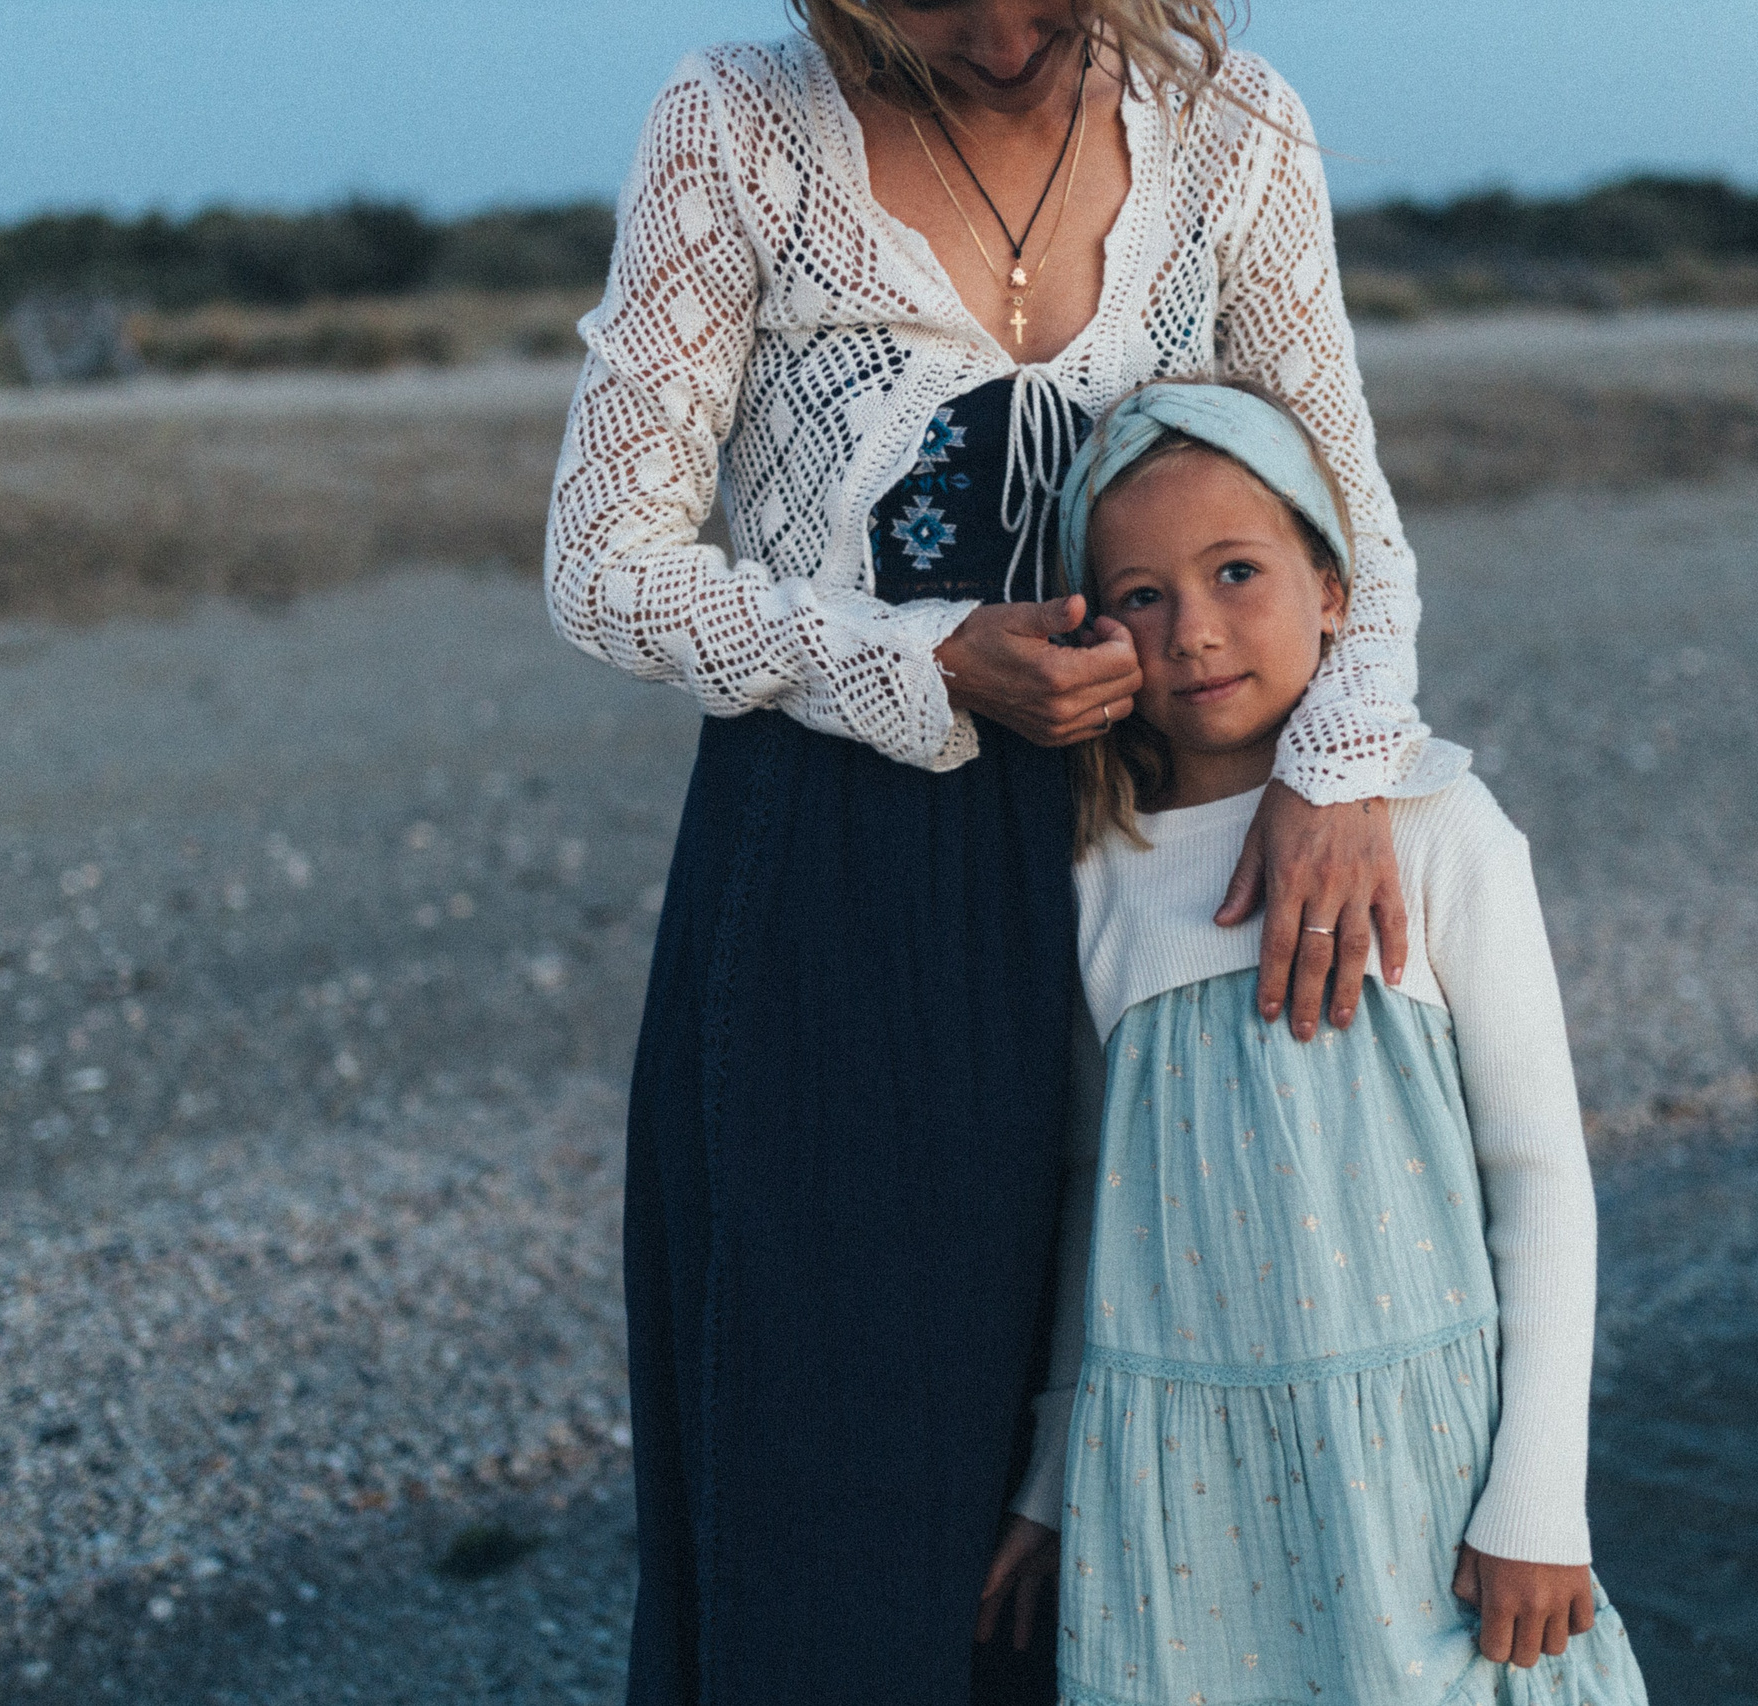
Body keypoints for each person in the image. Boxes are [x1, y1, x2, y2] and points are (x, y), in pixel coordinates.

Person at [543, 5, 1458, 1699]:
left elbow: (1357, 515)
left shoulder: (1239, 129)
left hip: (1159, 866)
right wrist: (929, 656)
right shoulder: (735, 124)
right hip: (833, 897)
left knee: (1146, 1495)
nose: (998, 35)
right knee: (843, 1507)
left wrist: (1338, 768)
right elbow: (602, 563)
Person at [975, 381, 1648, 1704]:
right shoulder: (1098, 871)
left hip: (1418, 1471)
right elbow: (1088, 1198)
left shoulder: (1439, 827)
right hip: (1173, 1494)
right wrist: (1056, 1476)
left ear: (1337, 590)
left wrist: (1540, 1502)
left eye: (1238, 571)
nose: (1197, 630)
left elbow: (1541, 1173)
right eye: (1143, 595)